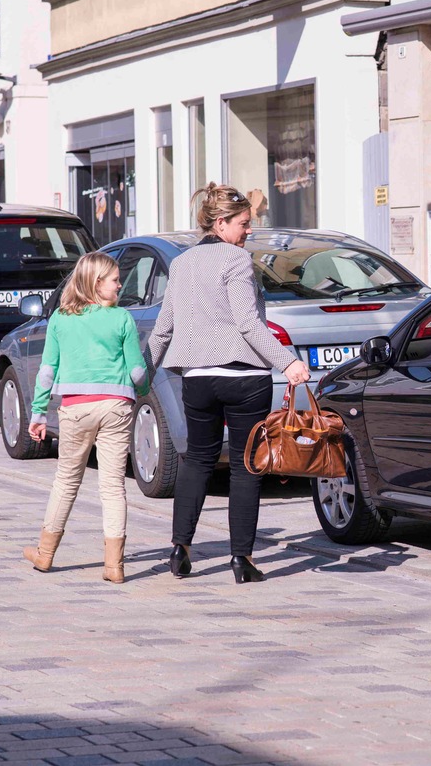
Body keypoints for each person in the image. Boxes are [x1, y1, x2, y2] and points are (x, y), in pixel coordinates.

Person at [148, 183, 311, 584]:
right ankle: (242, 559)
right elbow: (248, 324)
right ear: (220, 223)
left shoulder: (182, 264)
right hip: (244, 380)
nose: (248, 231)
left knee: (197, 462)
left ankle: (179, 548)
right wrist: (288, 363)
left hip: (198, 380)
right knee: (244, 467)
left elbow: (163, 328)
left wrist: (137, 379)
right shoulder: (237, 262)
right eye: (243, 224)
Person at [22, 252, 149, 583]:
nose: (120, 285)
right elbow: (136, 370)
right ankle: (114, 565)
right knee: (112, 485)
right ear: (97, 283)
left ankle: (45, 554)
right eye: (115, 280)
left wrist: (38, 412)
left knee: (66, 480)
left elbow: (47, 371)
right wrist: (146, 386)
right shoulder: (122, 318)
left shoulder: (61, 320)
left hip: (76, 408)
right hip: (116, 407)